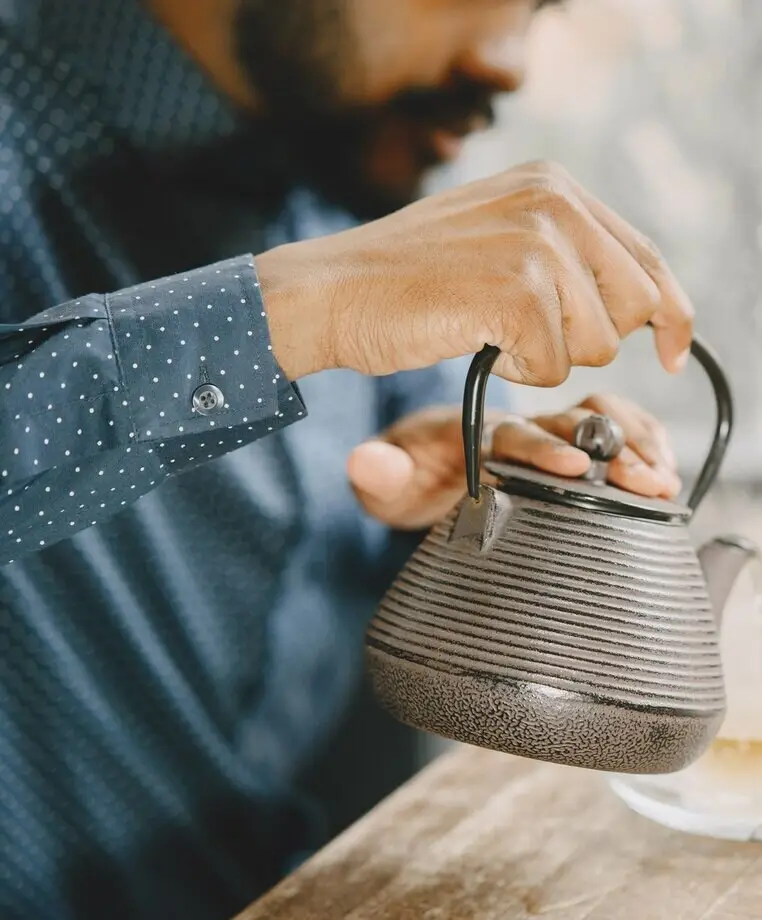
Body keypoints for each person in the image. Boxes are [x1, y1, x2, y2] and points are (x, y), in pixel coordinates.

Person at [0, 1, 697, 917]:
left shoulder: (353, 159)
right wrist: (296, 312)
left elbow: (417, 457)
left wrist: (492, 505)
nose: (511, 62)